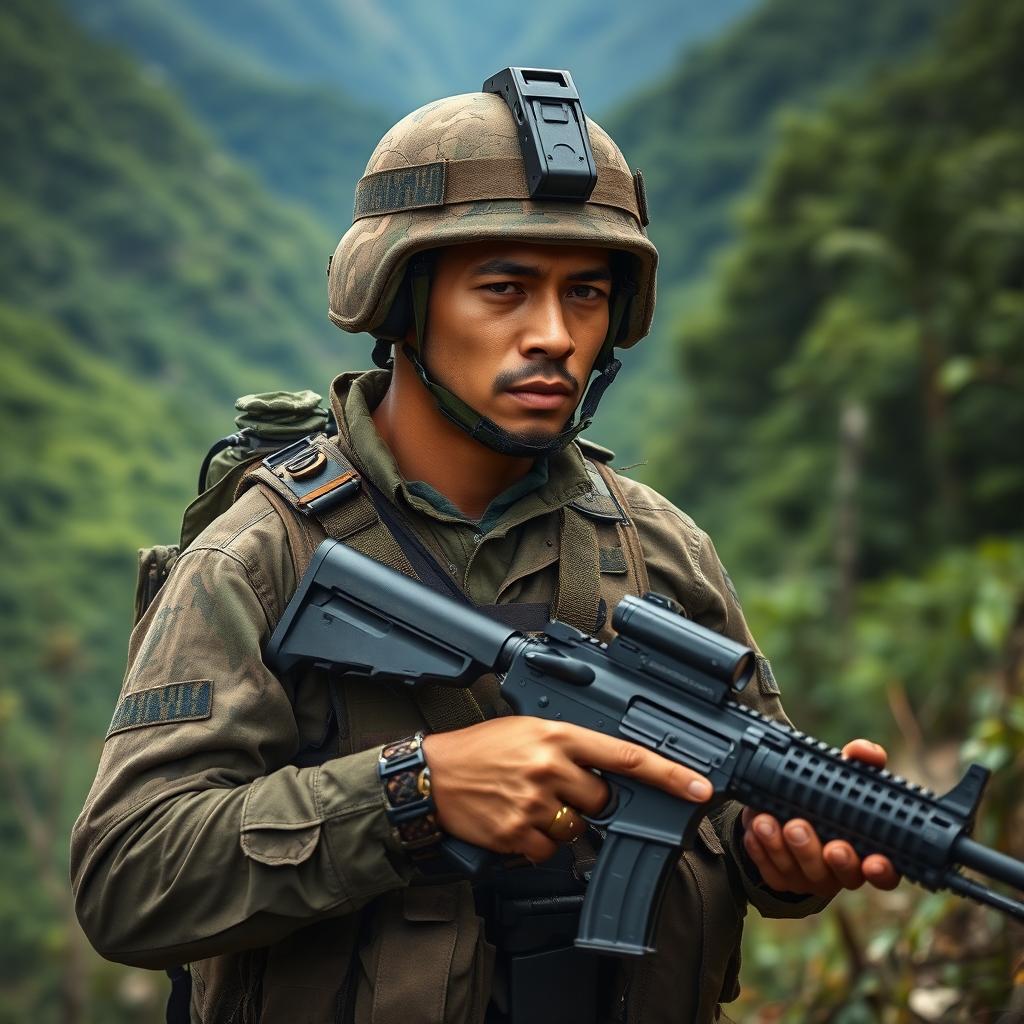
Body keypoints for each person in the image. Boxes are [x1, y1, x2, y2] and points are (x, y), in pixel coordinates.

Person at [71, 71, 899, 1024]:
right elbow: (128, 878)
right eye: (504, 288)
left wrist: (781, 853)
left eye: (585, 294)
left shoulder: (663, 551)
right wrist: (413, 793)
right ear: (402, 302)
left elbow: (728, 812)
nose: (553, 335)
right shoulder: (260, 558)